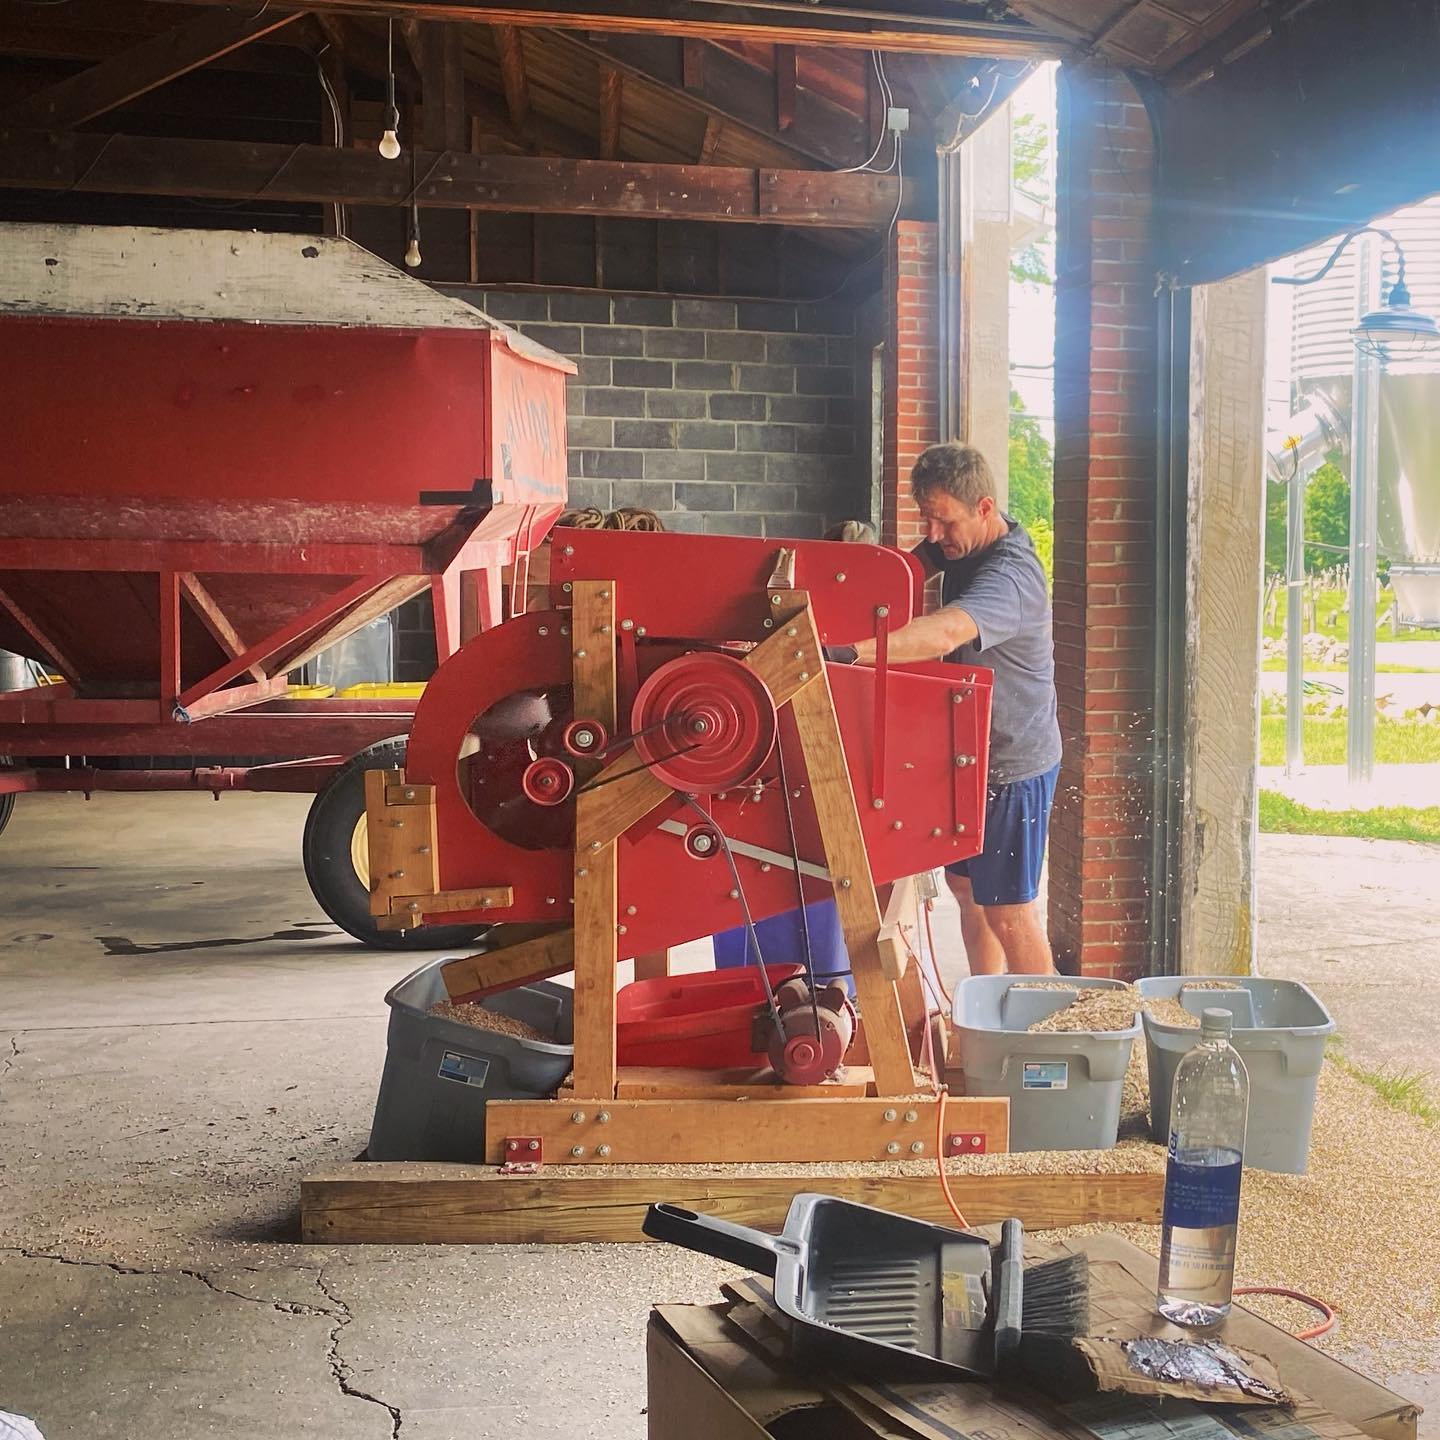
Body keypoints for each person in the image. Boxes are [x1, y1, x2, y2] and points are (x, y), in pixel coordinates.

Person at [847, 443, 1061, 976]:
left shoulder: (1011, 576)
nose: (935, 536)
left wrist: (851, 650)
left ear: (984, 508)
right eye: (928, 519)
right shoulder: (961, 544)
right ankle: (983, 1020)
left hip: (1014, 764)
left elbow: (945, 629)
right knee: (965, 889)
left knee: (1009, 912)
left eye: (944, 522)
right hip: (972, 755)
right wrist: (849, 569)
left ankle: (1057, 1041)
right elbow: (902, 571)